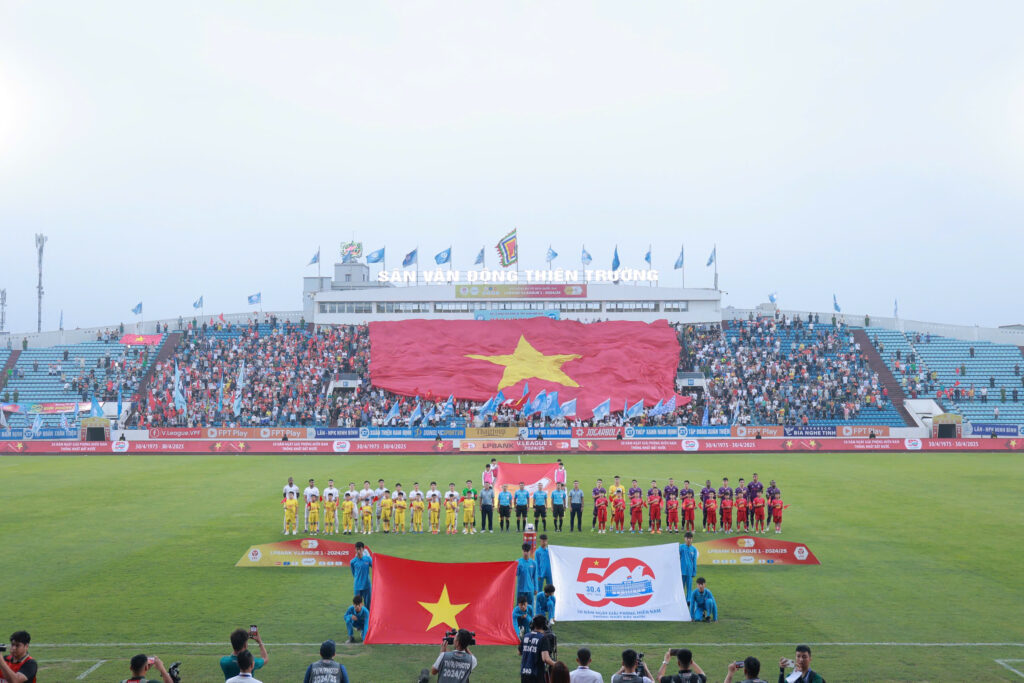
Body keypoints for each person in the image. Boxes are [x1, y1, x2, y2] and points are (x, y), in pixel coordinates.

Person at [519, 615, 557, 683]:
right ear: (544, 626)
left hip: (524, 674)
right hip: (536, 675)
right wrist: (557, 664)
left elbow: (519, 652)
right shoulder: (543, 638)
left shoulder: (526, 636)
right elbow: (545, 658)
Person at [351, 541, 372, 607]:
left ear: (363, 549)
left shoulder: (368, 559)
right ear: (355, 549)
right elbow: (354, 573)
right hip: (357, 586)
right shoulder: (352, 562)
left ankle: (367, 614)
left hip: (367, 586)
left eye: (359, 549)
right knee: (357, 605)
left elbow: (375, 567)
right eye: (357, 549)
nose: (358, 551)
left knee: (368, 605)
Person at [678, 531, 698, 596]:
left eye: (690, 538)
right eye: (687, 538)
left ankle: (689, 599)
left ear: (692, 539)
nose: (689, 540)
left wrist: (694, 571)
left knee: (689, 586)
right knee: (681, 587)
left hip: (690, 571)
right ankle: (681, 599)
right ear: (685, 539)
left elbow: (694, 561)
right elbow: (676, 556)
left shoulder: (694, 549)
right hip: (682, 570)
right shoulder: (681, 547)